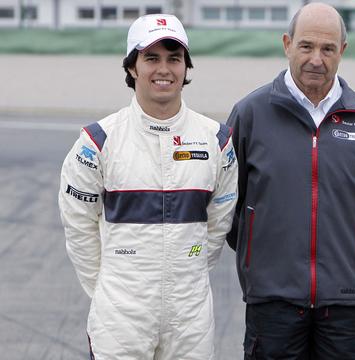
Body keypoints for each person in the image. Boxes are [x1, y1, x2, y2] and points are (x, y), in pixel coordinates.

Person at [58, 14, 238, 359]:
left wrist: (190, 264)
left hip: (190, 311)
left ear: (186, 68)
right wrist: (111, 289)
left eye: (174, 58)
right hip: (120, 311)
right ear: (132, 68)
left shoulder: (216, 140)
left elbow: (218, 223)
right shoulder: (97, 141)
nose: (164, 69)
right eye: (151, 58)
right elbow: (78, 226)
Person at [225, 3, 355, 359]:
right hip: (272, 304)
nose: (316, 59)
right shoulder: (249, 114)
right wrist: (265, 257)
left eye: (327, 48)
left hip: (345, 304)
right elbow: (230, 206)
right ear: (287, 44)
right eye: (306, 46)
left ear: (342, 52)